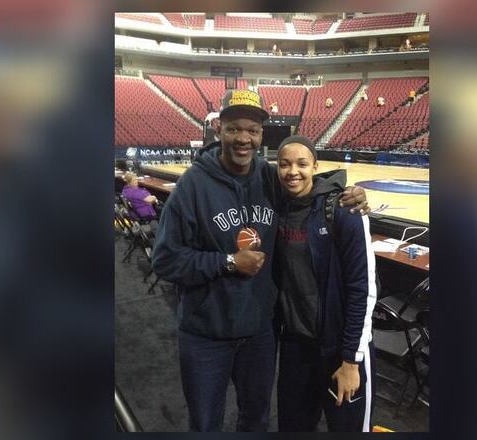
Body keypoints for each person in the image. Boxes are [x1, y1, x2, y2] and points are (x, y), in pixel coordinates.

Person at [152, 89, 369, 432]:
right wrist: (226, 263)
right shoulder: (191, 187)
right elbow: (164, 260)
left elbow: (305, 183)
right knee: (205, 423)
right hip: (206, 334)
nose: (244, 138)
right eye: (234, 128)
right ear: (218, 129)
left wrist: (348, 192)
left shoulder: (268, 177)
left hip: (260, 334)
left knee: (256, 420)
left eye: (252, 131)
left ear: (260, 135)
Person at [273, 135, 377, 432]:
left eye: (302, 164)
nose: (293, 171)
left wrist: (351, 361)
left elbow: (363, 289)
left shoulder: (344, 209)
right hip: (296, 347)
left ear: (315, 166)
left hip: (339, 351)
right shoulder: (278, 209)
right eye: (285, 164)